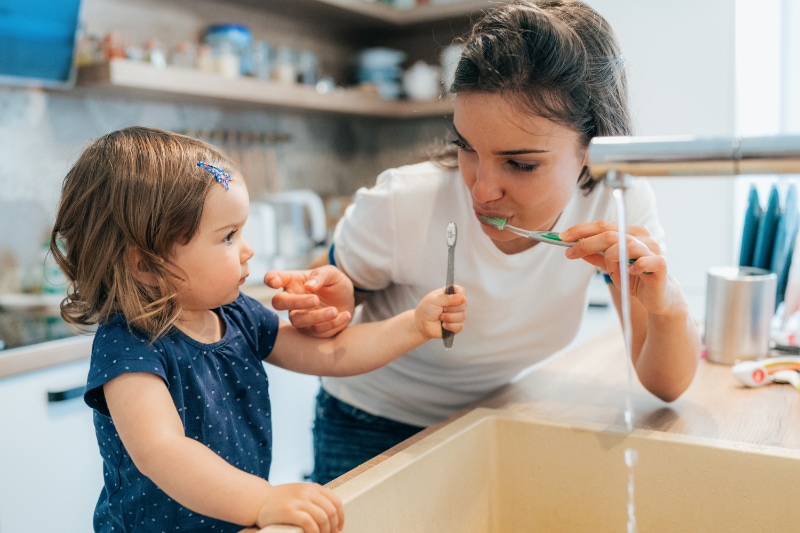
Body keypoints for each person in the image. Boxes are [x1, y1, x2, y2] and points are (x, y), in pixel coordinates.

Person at [267, 0, 702, 486]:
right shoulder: (403, 202)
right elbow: (330, 293)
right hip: (369, 427)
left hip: (496, 410)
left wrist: (668, 307)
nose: (480, 190)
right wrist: (333, 302)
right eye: (467, 147)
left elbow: (665, 385)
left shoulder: (617, 203)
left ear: (591, 148)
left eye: (520, 164)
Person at [49, 126, 467, 533]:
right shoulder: (130, 347)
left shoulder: (234, 315)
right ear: (146, 265)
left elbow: (328, 354)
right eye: (229, 236)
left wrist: (413, 325)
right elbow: (163, 451)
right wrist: (263, 500)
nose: (248, 249)